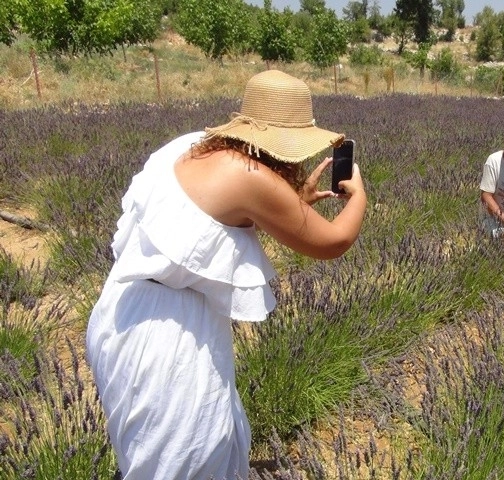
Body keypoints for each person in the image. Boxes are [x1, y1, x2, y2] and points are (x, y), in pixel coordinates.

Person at [85, 70, 367, 479]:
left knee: (146, 452)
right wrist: (359, 198)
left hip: (121, 312)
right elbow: (334, 241)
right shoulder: (251, 177)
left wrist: (289, 203)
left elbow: (208, 225)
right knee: (185, 459)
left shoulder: (190, 146)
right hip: (169, 337)